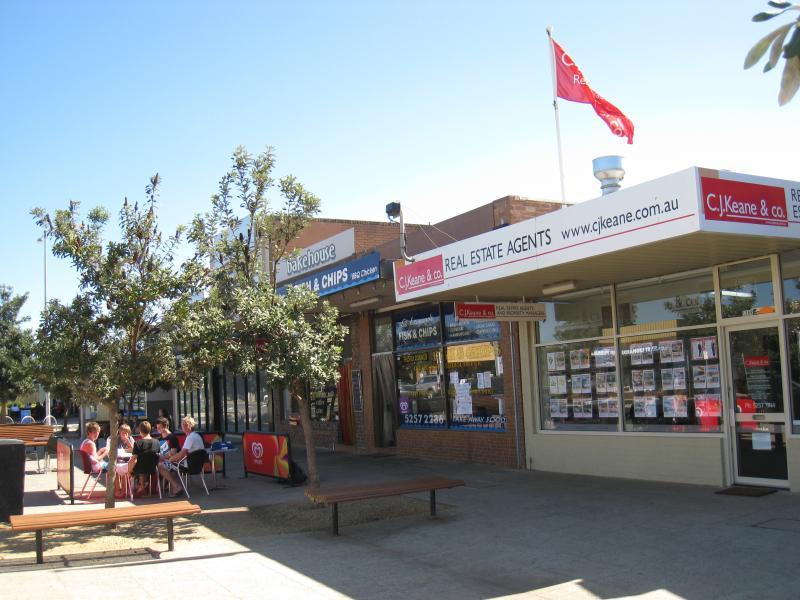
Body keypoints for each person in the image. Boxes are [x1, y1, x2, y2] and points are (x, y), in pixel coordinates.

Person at [159, 416, 205, 497]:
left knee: (161, 466)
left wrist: (170, 460)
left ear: (191, 426)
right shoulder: (197, 436)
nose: (183, 426)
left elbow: (181, 455)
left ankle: (177, 487)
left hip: (189, 466)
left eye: (186, 425)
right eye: (182, 424)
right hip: (196, 466)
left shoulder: (190, 438)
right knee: (171, 465)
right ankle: (174, 486)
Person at [129, 420, 161, 496]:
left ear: (140, 431)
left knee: (133, 466)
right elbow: (157, 456)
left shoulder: (138, 443)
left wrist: (129, 470)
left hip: (141, 468)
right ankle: (143, 485)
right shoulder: (157, 442)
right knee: (143, 463)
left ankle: (138, 487)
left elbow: (133, 459)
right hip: (153, 468)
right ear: (150, 430)